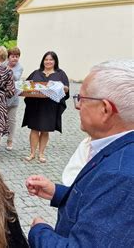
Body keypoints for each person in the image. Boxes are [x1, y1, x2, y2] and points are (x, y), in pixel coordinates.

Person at [25, 59, 134, 247]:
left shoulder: (120, 175)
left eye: (81, 99)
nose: (77, 107)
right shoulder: (117, 149)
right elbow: (100, 201)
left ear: (105, 109)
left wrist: (39, 230)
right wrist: (58, 193)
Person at [22, 51, 69, 163]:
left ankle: (41, 153)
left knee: (45, 129)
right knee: (34, 129)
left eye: (51, 60)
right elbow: (26, 85)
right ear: (43, 61)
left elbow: (66, 89)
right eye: (46, 59)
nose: (48, 62)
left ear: (55, 61)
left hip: (50, 106)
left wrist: (63, 88)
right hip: (35, 105)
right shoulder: (36, 72)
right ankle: (32, 153)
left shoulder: (60, 74)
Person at [4, 47, 24, 151]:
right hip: (2, 98)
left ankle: (10, 140)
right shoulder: (3, 64)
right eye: (13, 56)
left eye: (17, 57)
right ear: (8, 57)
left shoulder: (20, 67)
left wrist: (9, 70)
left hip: (13, 98)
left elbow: (16, 77)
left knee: (11, 120)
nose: (15, 59)